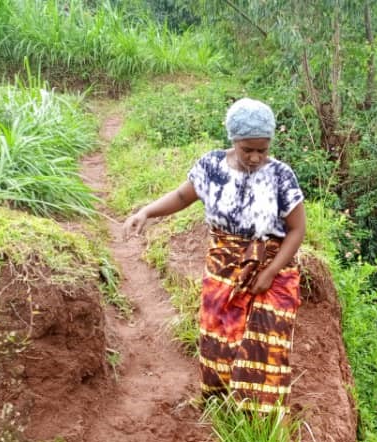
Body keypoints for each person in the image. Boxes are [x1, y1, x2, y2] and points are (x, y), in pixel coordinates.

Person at [124, 97, 306, 414]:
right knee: (219, 340)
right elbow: (182, 196)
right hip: (222, 268)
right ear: (233, 140)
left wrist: (270, 273)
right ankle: (223, 411)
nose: (254, 157)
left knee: (266, 346)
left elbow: (296, 230)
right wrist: (146, 212)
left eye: (262, 150)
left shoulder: (281, 176)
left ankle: (262, 424)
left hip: (269, 270)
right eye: (247, 149)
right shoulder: (211, 168)